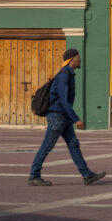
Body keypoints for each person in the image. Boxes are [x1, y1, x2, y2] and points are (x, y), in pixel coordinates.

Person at [28, 48, 106, 187]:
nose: (80, 59)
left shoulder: (69, 74)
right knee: (47, 146)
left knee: (73, 145)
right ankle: (34, 175)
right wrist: (76, 119)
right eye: (78, 57)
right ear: (71, 59)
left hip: (63, 118)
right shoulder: (64, 75)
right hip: (57, 116)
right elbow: (63, 101)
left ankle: (87, 175)